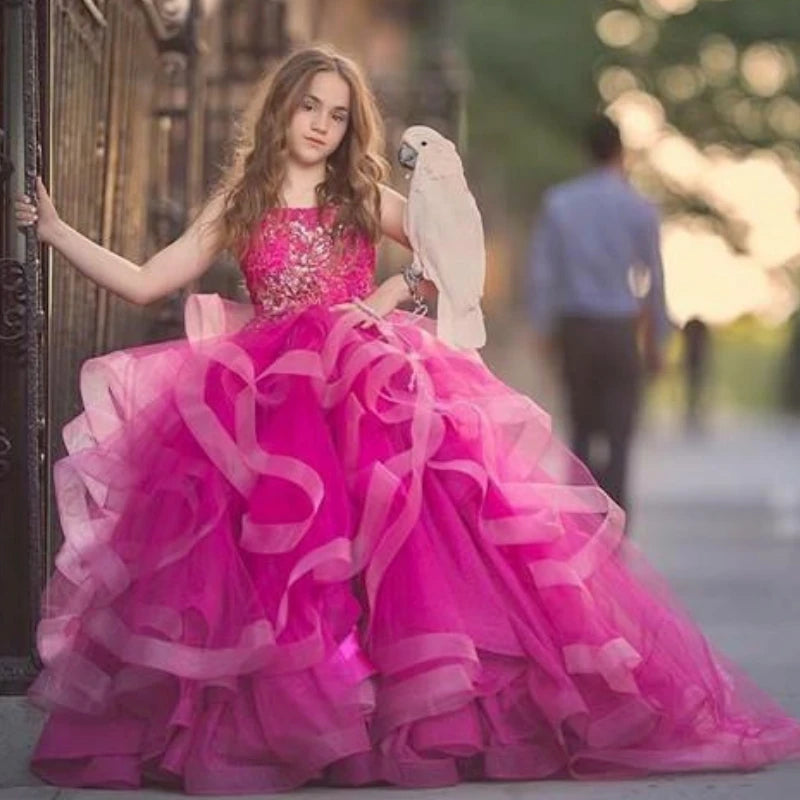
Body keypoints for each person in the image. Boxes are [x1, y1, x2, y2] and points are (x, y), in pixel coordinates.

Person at [15, 45, 800, 795]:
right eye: (310, 106)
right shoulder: (242, 200)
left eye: (339, 114)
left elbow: (450, 248)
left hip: (366, 377)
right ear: (282, 108)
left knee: (397, 544)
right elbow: (150, 280)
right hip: (270, 399)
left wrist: (391, 295)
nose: (322, 124)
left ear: (353, 127)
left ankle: (390, 716)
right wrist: (53, 232)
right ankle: (298, 717)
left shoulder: (359, 197)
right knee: (284, 563)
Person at [527, 115, 669, 513]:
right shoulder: (639, 207)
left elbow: (543, 272)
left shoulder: (559, 203)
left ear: (585, 151)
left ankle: (582, 521)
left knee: (583, 429)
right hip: (620, 330)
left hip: (576, 328)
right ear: (621, 152)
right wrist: (657, 339)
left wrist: (542, 327)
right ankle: (617, 522)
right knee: (620, 435)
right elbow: (653, 277)